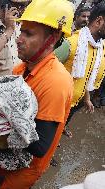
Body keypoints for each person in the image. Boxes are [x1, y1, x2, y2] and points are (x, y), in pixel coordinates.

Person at [0, 0, 74, 188]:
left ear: (53, 38)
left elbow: (39, 146)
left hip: (26, 167)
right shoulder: (21, 68)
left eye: (28, 34)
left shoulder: (56, 82)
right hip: (6, 155)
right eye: (21, 30)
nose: (19, 38)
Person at [55, 0, 105, 137]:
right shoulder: (72, 43)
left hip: (72, 106)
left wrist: (87, 98)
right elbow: (44, 69)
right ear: (99, 21)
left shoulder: (98, 48)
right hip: (56, 107)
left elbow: (85, 77)